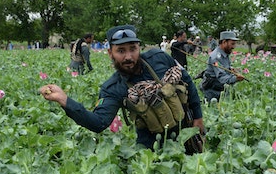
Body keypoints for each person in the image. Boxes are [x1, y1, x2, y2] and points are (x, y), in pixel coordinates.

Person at [40, 24, 204, 150]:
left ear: (139, 48)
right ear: (110, 53)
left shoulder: (159, 58)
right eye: (121, 51)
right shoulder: (113, 88)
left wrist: (198, 116)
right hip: (152, 146)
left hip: (187, 130)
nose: (128, 57)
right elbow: (98, 123)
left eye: (133, 49)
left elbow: (187, 80)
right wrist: (64, 100)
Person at [199, 31, 246, 102]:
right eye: (232, 44)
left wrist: (231, 70)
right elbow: (222, 78)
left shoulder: (224, 53)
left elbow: (225, 68)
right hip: (212, 92)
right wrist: (236, 78)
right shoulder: (216, 57)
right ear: (224, 42)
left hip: (221, 90)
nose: (234, 47)